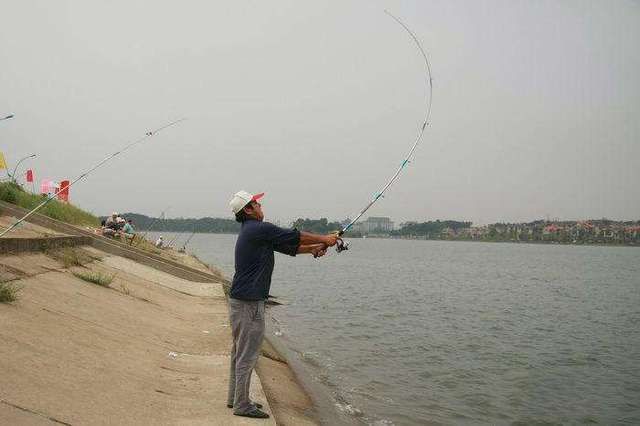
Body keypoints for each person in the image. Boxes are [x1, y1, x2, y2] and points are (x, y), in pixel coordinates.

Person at [226, 190, 337, 419]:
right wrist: (325, 239)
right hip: (249, 303)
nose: (260, 205)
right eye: (256, 202)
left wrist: (315, 248)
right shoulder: (260, 229)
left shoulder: (253, 232)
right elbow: (296, 236)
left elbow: (292, 246)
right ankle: (241, 405)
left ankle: (235, 398)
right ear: (248, 209)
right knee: (247, 354)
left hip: (240, 300)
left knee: (239, 352)